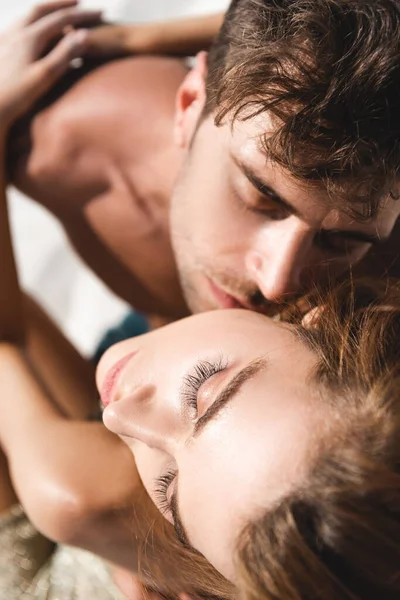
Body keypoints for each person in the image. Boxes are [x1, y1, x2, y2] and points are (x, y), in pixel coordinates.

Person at [7, 0, 400, 328]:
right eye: (261, 199)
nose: (277, 284)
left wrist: (142, 37)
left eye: (343, 241)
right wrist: (137, 38)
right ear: (190, 103)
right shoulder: (53, 140)